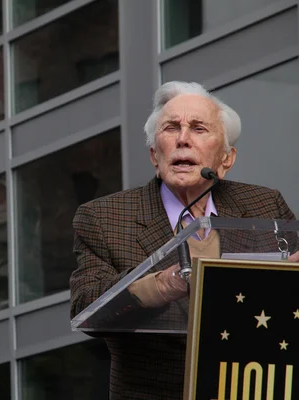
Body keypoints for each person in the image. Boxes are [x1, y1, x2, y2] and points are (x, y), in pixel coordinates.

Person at [69, 81, 298, 399]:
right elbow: (85, 307)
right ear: (154, 155)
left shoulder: (264, 203)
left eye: (199, 128)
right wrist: (161, 285)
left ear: (226, 160)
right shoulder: (104, 216)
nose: (183, 139)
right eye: (171, 128)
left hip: (252, 386)